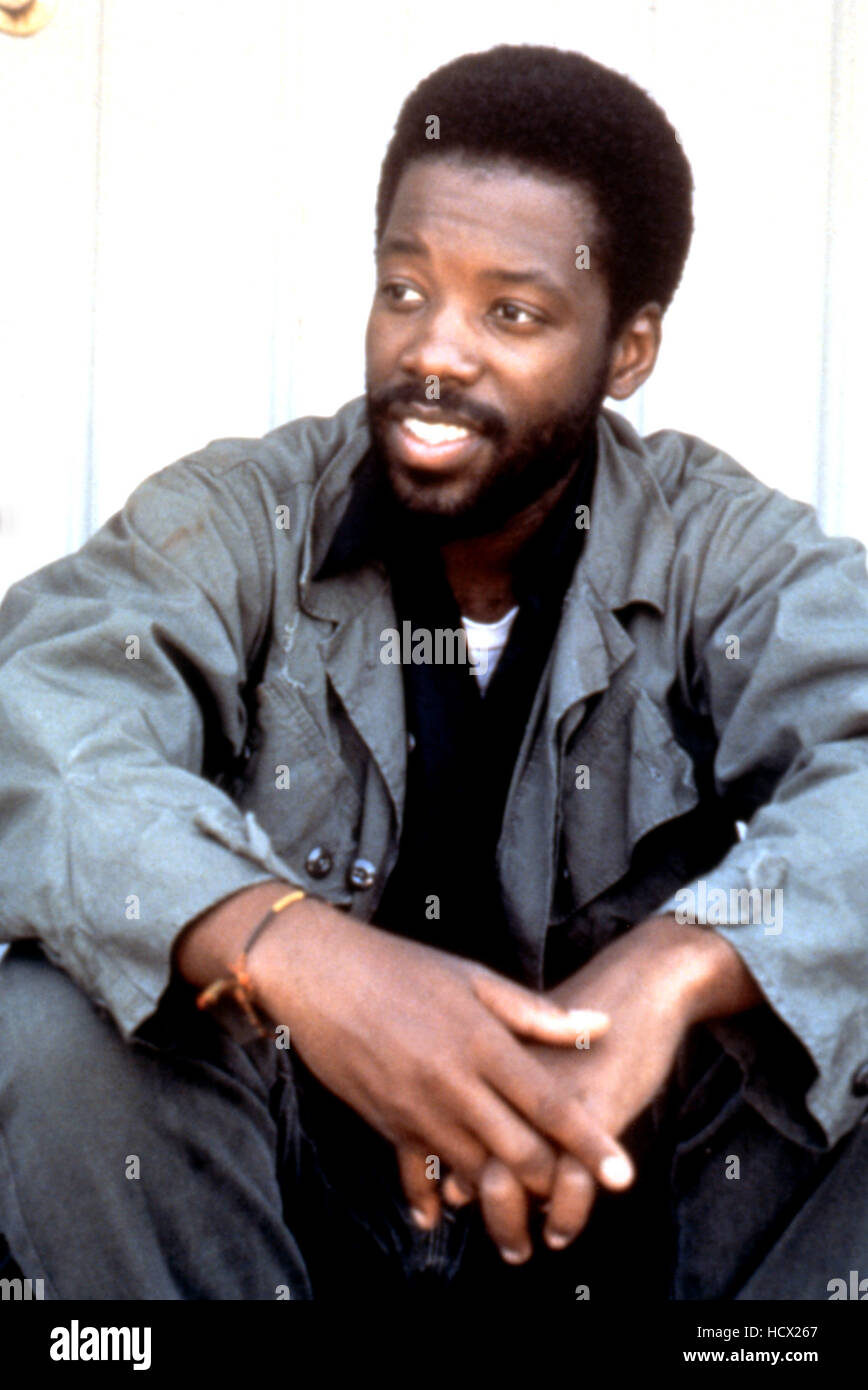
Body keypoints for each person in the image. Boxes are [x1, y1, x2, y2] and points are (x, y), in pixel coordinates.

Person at [1, 43, 867, 1302]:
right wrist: (295, 951)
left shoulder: (719, 552)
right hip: (290, 1219)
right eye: (405, 289)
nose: (435, 354)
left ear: (627, 349)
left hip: (626, 1220)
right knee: (49, 1020)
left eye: (511, 313)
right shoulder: (236, 520)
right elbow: (37, 725)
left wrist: (680, 962)